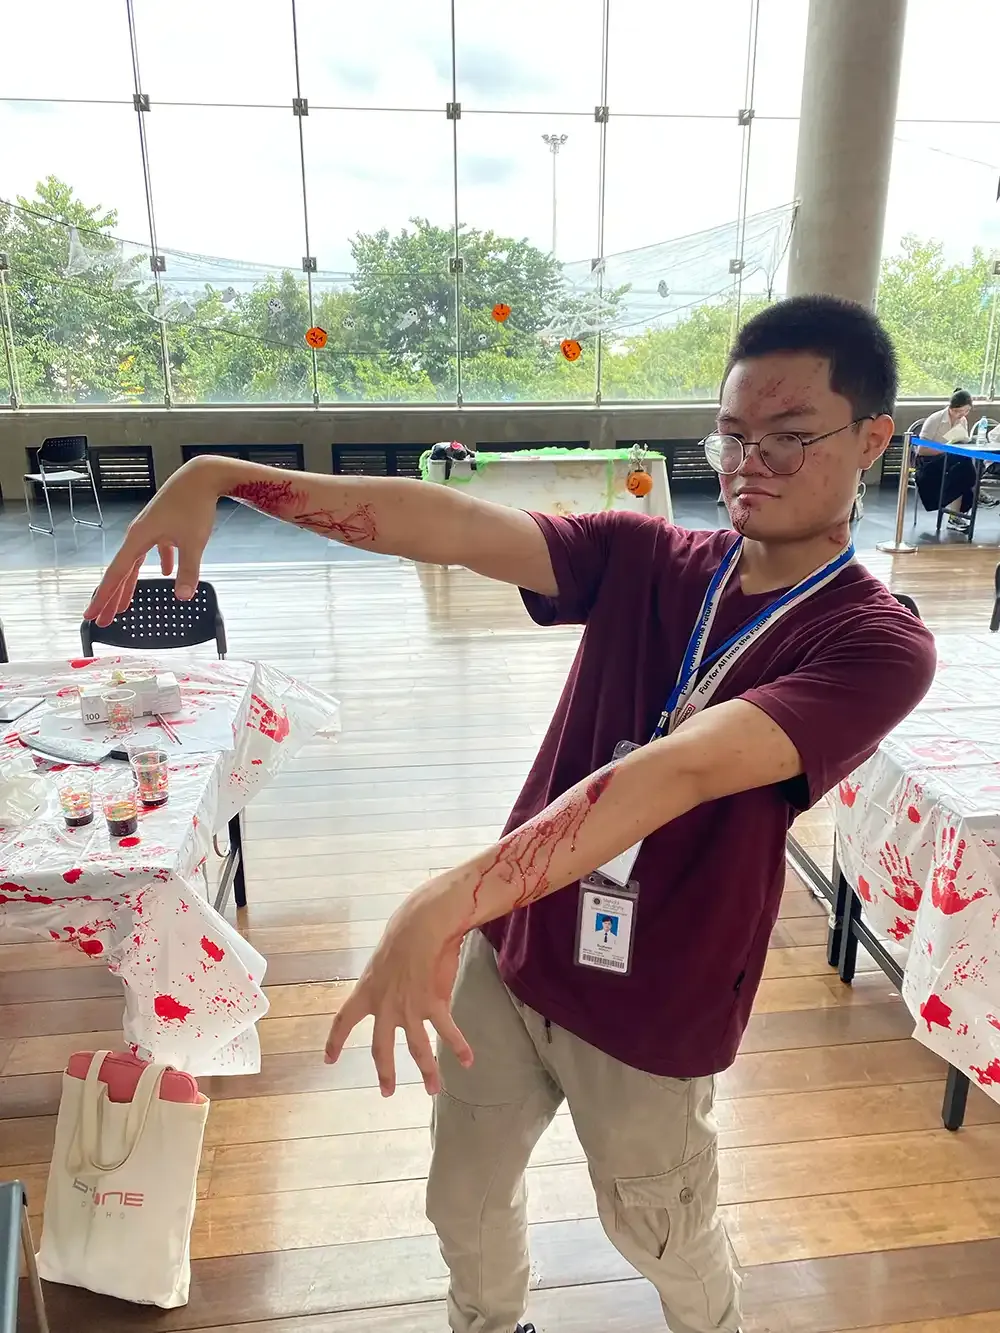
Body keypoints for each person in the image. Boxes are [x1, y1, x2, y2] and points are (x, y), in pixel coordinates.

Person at [85, 294, 937, 1333]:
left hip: (657, 1002)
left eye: (789, 437)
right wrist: (222, 477)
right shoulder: (649, 557)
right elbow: (447, 524)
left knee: (661, 1231)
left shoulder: (875, 643)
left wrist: (444, 900)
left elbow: (675, 772)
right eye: (730, 436)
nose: (749, 464)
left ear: (873, 439)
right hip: (516, 952)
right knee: (464, 1195)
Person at [914, 388, 977, 530]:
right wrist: (945, 449)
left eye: (966, 411)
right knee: (964, 468)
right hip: (929, 462)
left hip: (950, 461)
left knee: (963, 468)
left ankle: (955, 516)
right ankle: (975, 491)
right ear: (951, 408)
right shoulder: (935, 419)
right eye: (958, 411)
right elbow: (922, 450)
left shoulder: (963, 421)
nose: (961, 415)